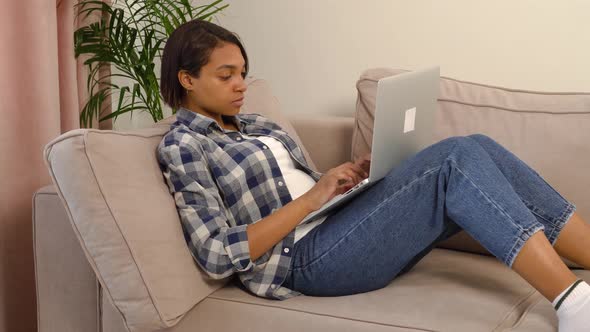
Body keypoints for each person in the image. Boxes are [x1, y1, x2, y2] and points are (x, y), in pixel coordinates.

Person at [156, 19, 590, 332]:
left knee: (478, 145)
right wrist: (311, 200)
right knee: (454, 158)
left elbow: (298, 185)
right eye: (225, 75)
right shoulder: (184, 146)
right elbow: (215, 254)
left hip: (337, 223)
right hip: (301, 261)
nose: (241, 85)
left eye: (243, 74)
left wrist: (342, 181)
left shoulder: (259, 124)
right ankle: (573, 303)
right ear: (187, 79)